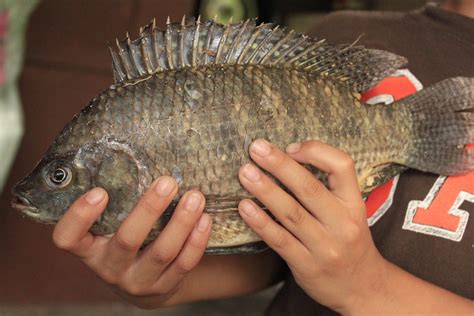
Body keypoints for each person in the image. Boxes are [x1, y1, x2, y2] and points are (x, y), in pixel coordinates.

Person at [51, 1, 474, 314]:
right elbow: (271, 256)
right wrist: (157, 280)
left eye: (60, 176)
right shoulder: (347, 29)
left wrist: (368, 287)